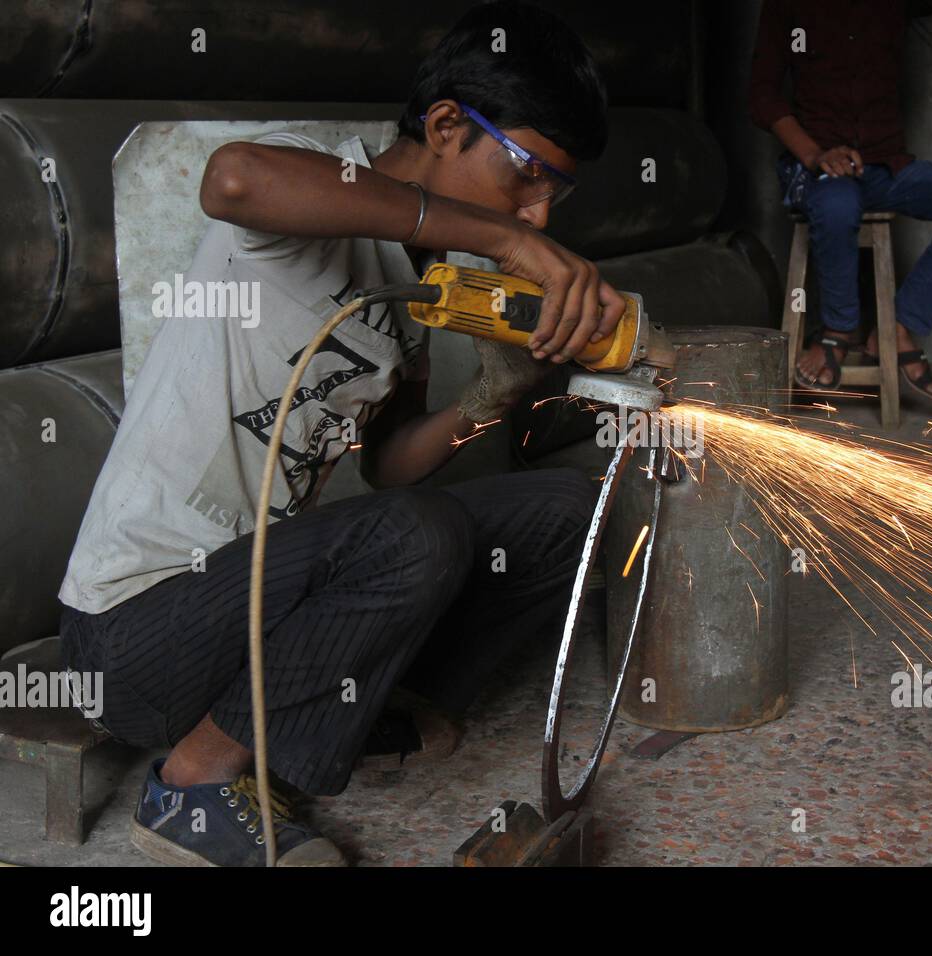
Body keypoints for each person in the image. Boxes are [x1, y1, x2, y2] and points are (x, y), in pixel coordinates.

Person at [57, 0, 619, 867]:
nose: (537, 217)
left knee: (566, 509)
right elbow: (232, 177)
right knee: (417, 536)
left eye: (553, 193)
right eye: (525, 176)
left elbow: (390, 467)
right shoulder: (321, 191)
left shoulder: (413, 287)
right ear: (444, 124)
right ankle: (194, 787)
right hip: (135, 632)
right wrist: (498, 235)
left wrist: (490, 403)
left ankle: (350, 714)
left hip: (260, 618)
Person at [749, 0, 932, 403]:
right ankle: (838, 332)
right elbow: (761, 95)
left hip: (888, 167)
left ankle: (897, 327)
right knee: (838, 205)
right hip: (818, 168)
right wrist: (816, 154)